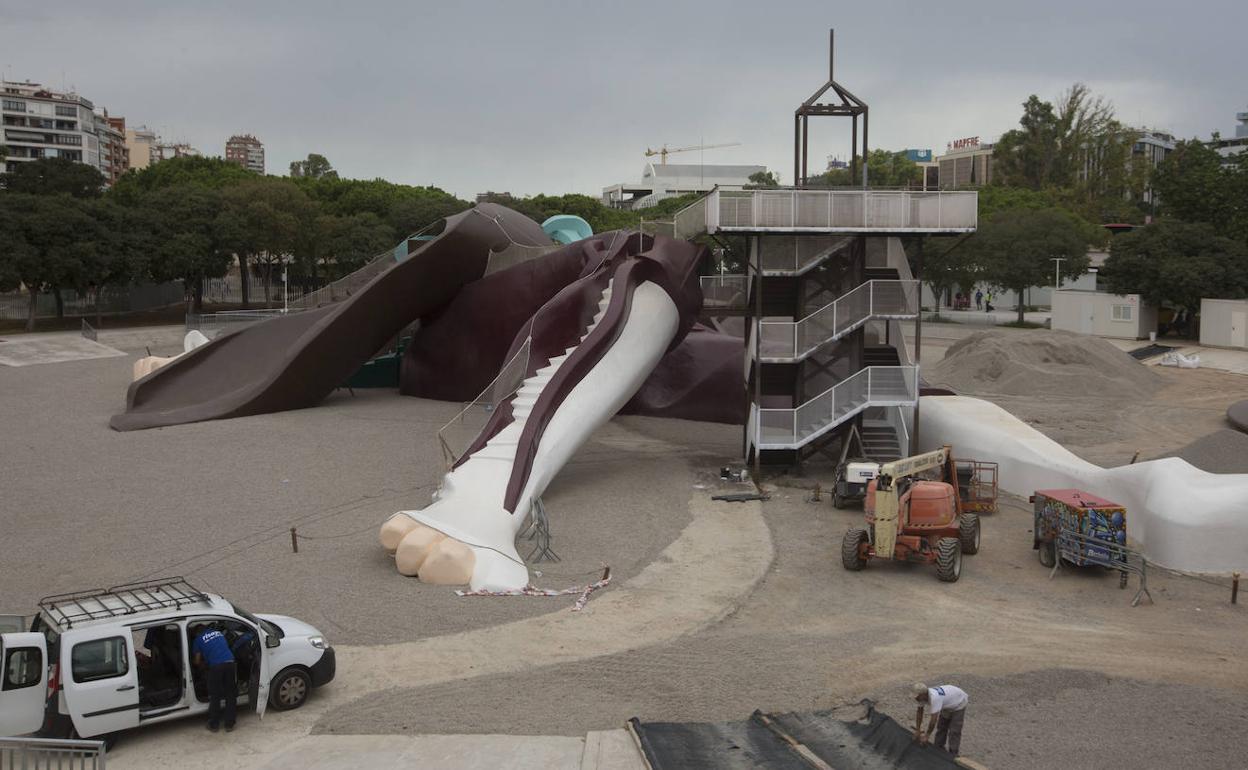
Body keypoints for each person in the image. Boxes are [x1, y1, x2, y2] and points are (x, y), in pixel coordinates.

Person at [193, 624, 238, 732]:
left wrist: (200, 664)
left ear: (197, 633)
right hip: (230, 663)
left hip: (216, 667)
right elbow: (223, 648)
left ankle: (214, 724)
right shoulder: (219, 633)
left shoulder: (198, 639)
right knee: (230, 694)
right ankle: (229, 724)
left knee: (215, 695)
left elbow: (197, 661)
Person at [913, 682, 968, 756]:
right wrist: (918, 729)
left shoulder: (935, 698)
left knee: (954, 730)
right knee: (942, 726)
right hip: (947, 703)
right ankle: (938, 748)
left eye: (917, 696)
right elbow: (919, 712)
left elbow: (933, 720)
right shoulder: (921, 698)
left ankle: (953, 753)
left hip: (959, 702)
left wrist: (927, 735)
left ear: (923, 694)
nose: (915, 698)